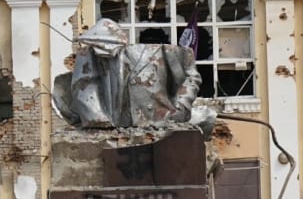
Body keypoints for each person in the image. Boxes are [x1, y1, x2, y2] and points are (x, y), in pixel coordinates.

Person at [51, 18, 201, 129]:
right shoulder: (90, 57)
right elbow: (84, 87)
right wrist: (96, 117)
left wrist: (182, 106)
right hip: (120, 131)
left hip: (159, 126)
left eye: (105, 49)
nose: (102, 55)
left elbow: (191, 75)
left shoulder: (161, 52)